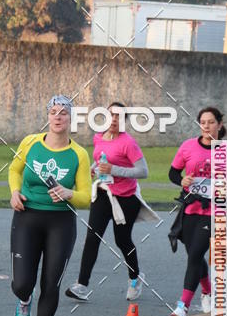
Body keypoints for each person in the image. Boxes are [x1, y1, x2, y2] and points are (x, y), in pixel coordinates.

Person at [8, 95, 91, 316]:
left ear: (70, 118)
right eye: (53, 112)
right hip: (27, 217)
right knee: (22, 283)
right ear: (47, 117)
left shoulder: (79, 154)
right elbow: (14, 170)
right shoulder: (30, 142)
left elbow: (87, 197)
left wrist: (68, 193)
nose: (58, 117)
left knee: (51, 282)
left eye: (63, 113)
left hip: (61, 223)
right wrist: (14, 192)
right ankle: (24, 299)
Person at [66, 102, 159, 303]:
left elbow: (143, 171)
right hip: (102, 193)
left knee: (122, 241)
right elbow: (102, 158)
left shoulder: (129, 143)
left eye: (119, 116)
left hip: (125, 199)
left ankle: (135, 278)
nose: (114, 119)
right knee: (92, 237)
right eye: (111, 115)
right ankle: (82, 285)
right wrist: (94, 167)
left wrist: (114, 170)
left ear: (124, 121)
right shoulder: (98, 137)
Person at [168, 106, 226, 316]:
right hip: (190, 209)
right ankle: (208, 290)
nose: (207, 126)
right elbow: (173, 172)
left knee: (194, 255)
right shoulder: (188, 146)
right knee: (194, 253)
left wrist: (225, 182)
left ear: (219, 124)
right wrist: (181, 180)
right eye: (203, 122)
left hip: (213, 211)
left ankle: (183, 306)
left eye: (211, 122)